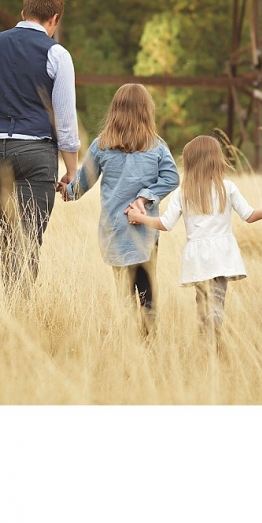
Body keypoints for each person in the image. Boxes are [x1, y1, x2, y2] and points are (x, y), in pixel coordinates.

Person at [0, 0, 80, 299]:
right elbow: (66, 122)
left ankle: (12, 304)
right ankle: (19, 308)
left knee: (11, 232)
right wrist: (71, 171)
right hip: (37, 151)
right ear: (54, 19)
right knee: (29, 236)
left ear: (23, 13)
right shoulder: (57, 54)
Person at [126, 134, 262, 346]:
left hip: (197, 259)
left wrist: (139, 218)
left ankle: (208, 340)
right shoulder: (227, 187)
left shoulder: (183, 192)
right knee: (217, 301)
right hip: (222, 256)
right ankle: (213, 341)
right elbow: (250, 215)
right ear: (216, 160)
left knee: (203, 302)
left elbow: (165, 224)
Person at [60, 83, 179, 337]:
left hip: (114, 231)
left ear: (115, 111)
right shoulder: (156, 147)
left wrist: (66, 192)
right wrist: (146, 198)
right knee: (148, 289)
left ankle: (127, 341)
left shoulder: (101, 146)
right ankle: (148, 341)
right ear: (147, 111)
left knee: (123, 289)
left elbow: (82, 184)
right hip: (146, 232)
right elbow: (172, 177)